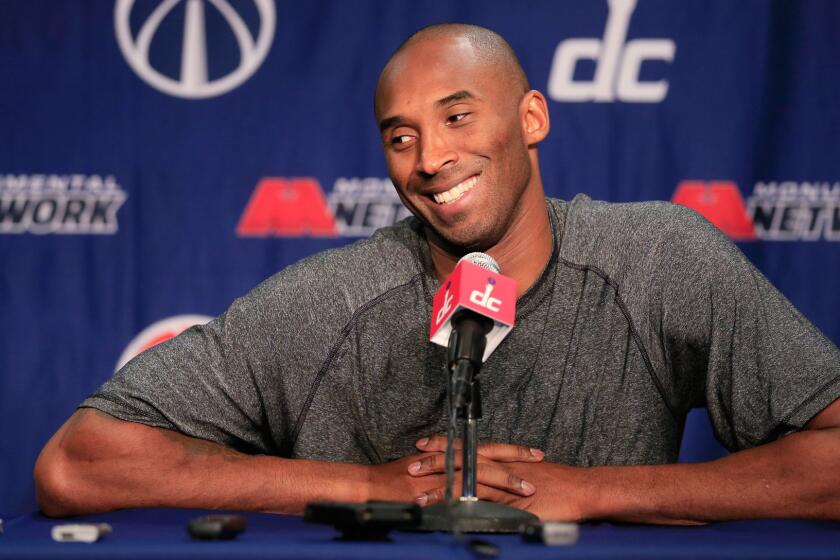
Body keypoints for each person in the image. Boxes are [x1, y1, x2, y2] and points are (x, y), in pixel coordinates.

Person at [35, 24, 840, 524]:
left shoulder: (661, 259)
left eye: (458, 117)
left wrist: (597, 492)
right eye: (400, 137)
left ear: (531, 119)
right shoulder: (332, 301)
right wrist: (371, 486)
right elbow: (76, 464)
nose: (432, 160)